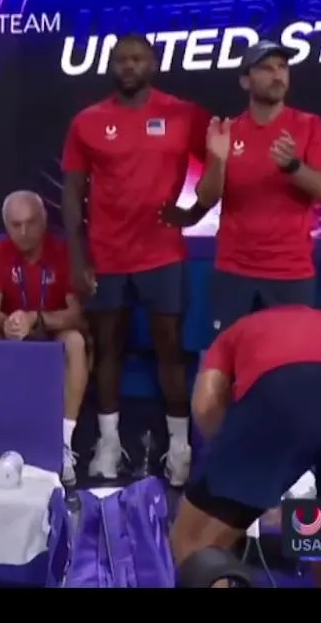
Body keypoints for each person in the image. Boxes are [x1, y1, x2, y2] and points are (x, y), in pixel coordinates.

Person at [60, 33, 212, 484]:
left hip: (162, 254)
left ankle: (180, 450)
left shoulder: (184, 114)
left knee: (170, 350)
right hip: (106, 256)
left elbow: (221, 166)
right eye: (122, 60)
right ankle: (108, 445)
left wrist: (195, 212)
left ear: (153, 64)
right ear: (112, 66)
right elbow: (72, 190)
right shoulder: (88, 121)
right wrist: (77, 256)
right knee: (109, 349)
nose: (129, 66)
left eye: (138, 59)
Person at [172, 306, 321, 588]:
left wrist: (254, 481)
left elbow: (206, 406)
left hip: (289, 384)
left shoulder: (234, 334)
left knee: (196, 545)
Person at [194, 42, 321, 332]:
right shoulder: (228, 131)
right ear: (245, 80)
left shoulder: (309, 125)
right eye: (266, 68)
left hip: (290, 270)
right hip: (234, 270)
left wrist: (293, 167)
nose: (277, 75)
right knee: (230, 354)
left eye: (282, 67)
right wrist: (218, 161)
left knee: (289, 356)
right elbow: (206, 198)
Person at [0, 191, 88, 483]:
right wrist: (7, 322)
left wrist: (36, 318)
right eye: (16, 225)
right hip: (13, 334)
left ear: (44, 220)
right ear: (6, 226)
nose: (24, 232)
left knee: (75, 341)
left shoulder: (63, 251)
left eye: (31, 223)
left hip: (50, 332)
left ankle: (63, 443)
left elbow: (76, 313)